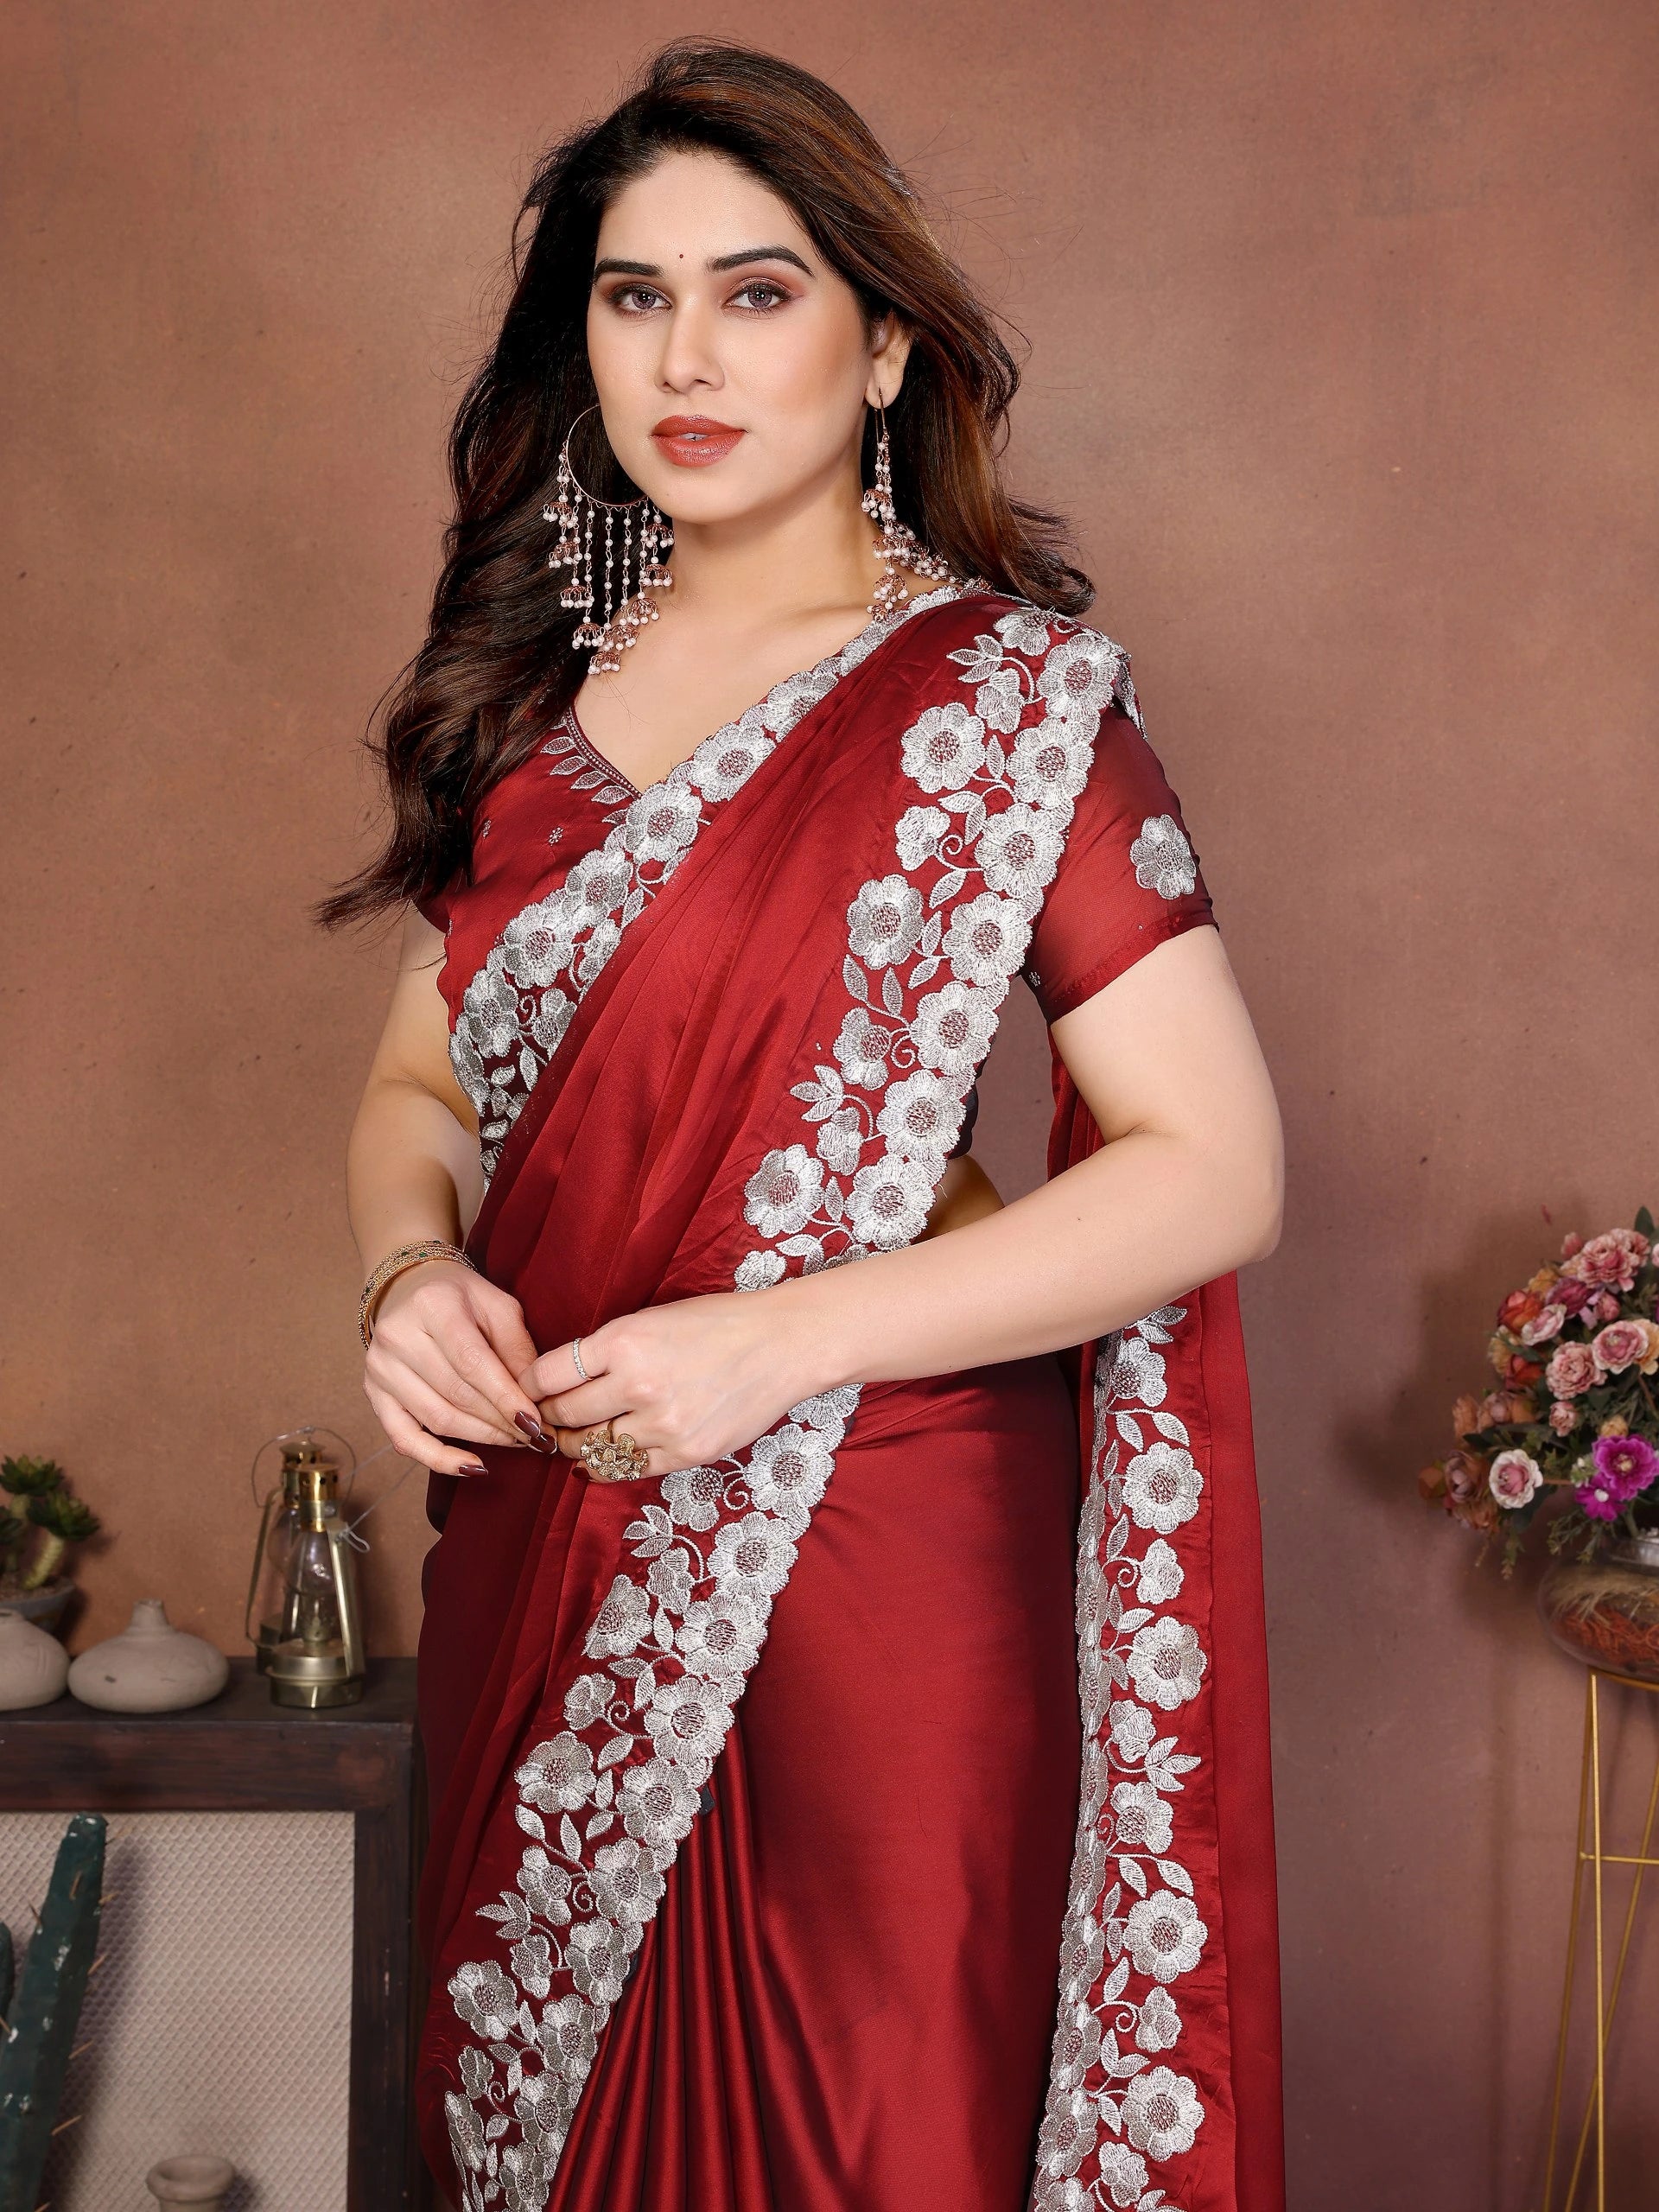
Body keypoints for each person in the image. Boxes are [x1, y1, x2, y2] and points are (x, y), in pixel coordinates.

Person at [325, 40, 1287, 2212]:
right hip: (553, 1519)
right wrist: (410, 1265)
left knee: (877, 2132)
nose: (685, 353)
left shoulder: (1006, 708)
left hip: (877, 1535)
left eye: (757, 293)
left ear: (879, 350)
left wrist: (777, 1340)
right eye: (630, 292)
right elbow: (418, 1078)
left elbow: (1213, 1161)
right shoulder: (525, 698)